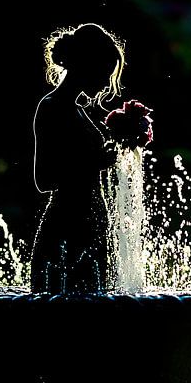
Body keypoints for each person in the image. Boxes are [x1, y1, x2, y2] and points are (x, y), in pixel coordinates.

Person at [31, 23, 125, 293]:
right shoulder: (51, 108)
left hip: (94, 221)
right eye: (105, 72)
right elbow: (44, 178)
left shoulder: (79, 111)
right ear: (86, 65)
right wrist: (94, 162)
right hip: (66, 225)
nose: (108, 83)